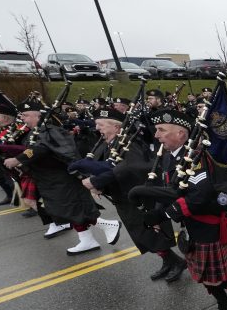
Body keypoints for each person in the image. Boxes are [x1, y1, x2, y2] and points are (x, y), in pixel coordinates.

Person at [138, 108, 227, 310]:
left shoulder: (198, 157)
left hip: (208, 226)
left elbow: (198, 198)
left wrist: (164, 214)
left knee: (211, 275)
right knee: (205, 275)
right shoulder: (170, 157)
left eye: (161, 130)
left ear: (182, 134)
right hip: (192, 227)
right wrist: (155, 212)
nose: (156, 135)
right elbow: (168, 190)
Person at [79, 107, 187, 283]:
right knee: (142, 235)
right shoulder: (112, 145)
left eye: (101, 125)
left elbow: (134, 168)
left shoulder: (129, 143)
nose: (97, 128)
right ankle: (168, 261)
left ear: (116, 127)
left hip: (140, 199)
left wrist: (99, 181)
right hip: (125, 198)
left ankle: (177, 262)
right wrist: (101, 185)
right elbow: (110, 168)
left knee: (152, 234)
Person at [3, 99, 122, 255]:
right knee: (65, 210)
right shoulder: (35, 132)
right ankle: (87, 240)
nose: (23, 119)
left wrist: (18, 159)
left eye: (25, 115)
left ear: (38, 115)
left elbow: (42, 149)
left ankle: (107, 224)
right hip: (48, 179)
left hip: (63, 178)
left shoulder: (51, 131)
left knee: (73, 209)